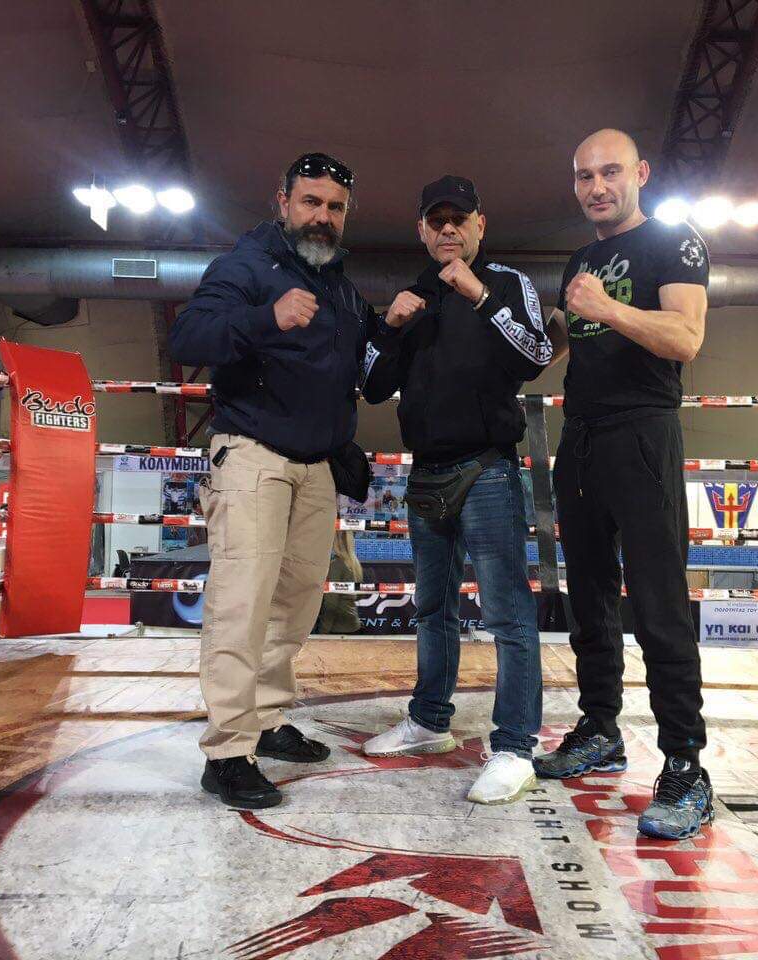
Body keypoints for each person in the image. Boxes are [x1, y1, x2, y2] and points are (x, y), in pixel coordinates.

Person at [170, 152, 381, 809]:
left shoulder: (342, 288)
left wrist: (399, 325)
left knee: (293, 605)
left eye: (335, 207)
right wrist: (266, 317)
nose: (323, 217)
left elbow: (369, 368)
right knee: (242, 605)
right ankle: (227, 752)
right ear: (282, 201)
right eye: (311, 202)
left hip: (315, 466)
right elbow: (188, 337)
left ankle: (264, 719)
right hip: (253, 457)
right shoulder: (246, 265)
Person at [531, 129, 713, 840]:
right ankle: (600, 728)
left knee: (660, 603)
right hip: (581, 436)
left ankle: (686, 766)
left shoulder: (674, 240)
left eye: (610, 172)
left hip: (643, 433)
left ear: (641, 173)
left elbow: (686, 338)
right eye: (584, 176)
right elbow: (559, 343)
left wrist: (608, 308)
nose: (597, 187)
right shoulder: (580, 259)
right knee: (589, 596)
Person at [361, 175, 552, 804]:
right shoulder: (413, 294)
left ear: (479, 225)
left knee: (506, 613)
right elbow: (372, 386)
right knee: (432, 608)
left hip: (488, 467)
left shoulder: (506, 283)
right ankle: (428, 721)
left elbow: (536, 357)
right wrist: (389, 327)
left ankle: (515, 748)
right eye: (436, 220)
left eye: (459, 219)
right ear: (421, 230)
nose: (448, 229)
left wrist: (480, 298)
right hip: (426, 470)